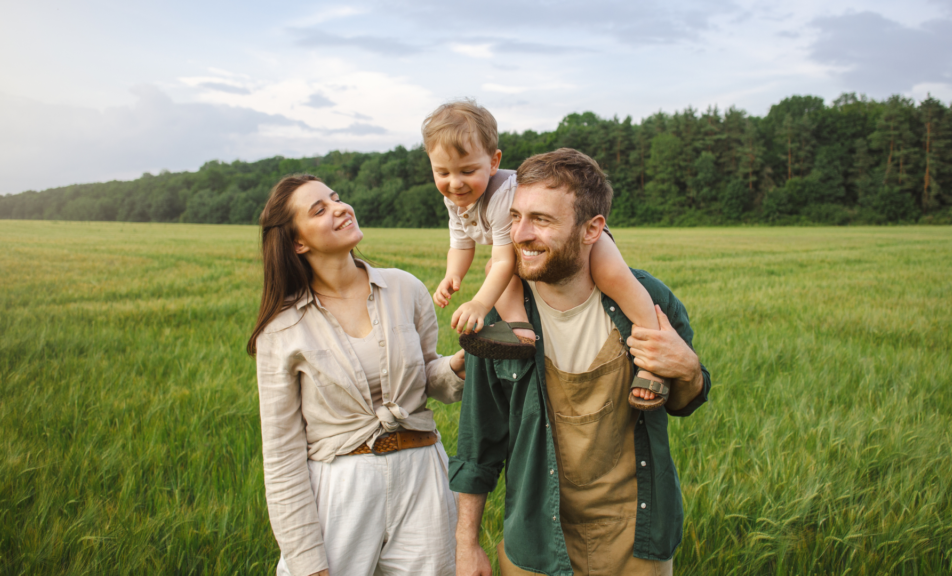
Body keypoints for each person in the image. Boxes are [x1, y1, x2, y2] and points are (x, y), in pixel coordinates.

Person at [449, 149, 712, 576]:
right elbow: (479, 441)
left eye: (542, 220)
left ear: (593, 229)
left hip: (637, 538)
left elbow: (684, 400)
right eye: (514, 217)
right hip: (534, 542)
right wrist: (466, 544)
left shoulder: (648, 302)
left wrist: (688, 370)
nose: (520, 234)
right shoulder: (496, 321)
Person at [247, 174, 466, 576]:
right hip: (340, 490)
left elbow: (427, 374)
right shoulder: (281, 330)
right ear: (298, 242)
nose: (340, 208)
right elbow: (281, 455)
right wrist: (306, 560)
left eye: (336, 198)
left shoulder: (405, 288)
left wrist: (457, 367)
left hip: (423, 478)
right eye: (319, 209)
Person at [423, 100, 670, 410]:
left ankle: (655, 357)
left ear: (494, 162)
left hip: (580, 236)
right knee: (492, 268)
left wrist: (479, 303)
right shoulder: (455, 197)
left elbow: (504, 260)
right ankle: (521, 329)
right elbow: (460, 242)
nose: (454, 182)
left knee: (615, 278)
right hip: (527, 244)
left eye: (467, 171)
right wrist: (453, 275)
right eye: (441, 172)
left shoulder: (500, 197)